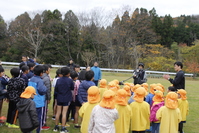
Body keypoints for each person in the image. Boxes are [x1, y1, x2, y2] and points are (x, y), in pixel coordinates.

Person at [53, 67, 74, 133]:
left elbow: (56, 89)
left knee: (58, 112)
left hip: (59, 97)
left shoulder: (58, 80)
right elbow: (72, 88)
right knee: (64, 113)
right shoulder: (70, 80)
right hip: (66, 98)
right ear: (68, 73)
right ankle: (63, 127)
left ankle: (56, 126)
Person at [28, 65, 47, 133]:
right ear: (41, 73)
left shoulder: (31, 79)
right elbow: (42, 91)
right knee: (39, 117)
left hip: (31, 101)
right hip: (39, 102)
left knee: (31, 116)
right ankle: (38, 130)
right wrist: (45, 87)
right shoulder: (40, 81)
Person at [41, 64, 52, 130]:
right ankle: (43, 124)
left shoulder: (40, 76)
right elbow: (48, 89)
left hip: (38, 97)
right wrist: (48, 98)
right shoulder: (46, 78)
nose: (50, 70)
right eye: (49, 69)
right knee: (44, 111)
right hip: (44, 97)